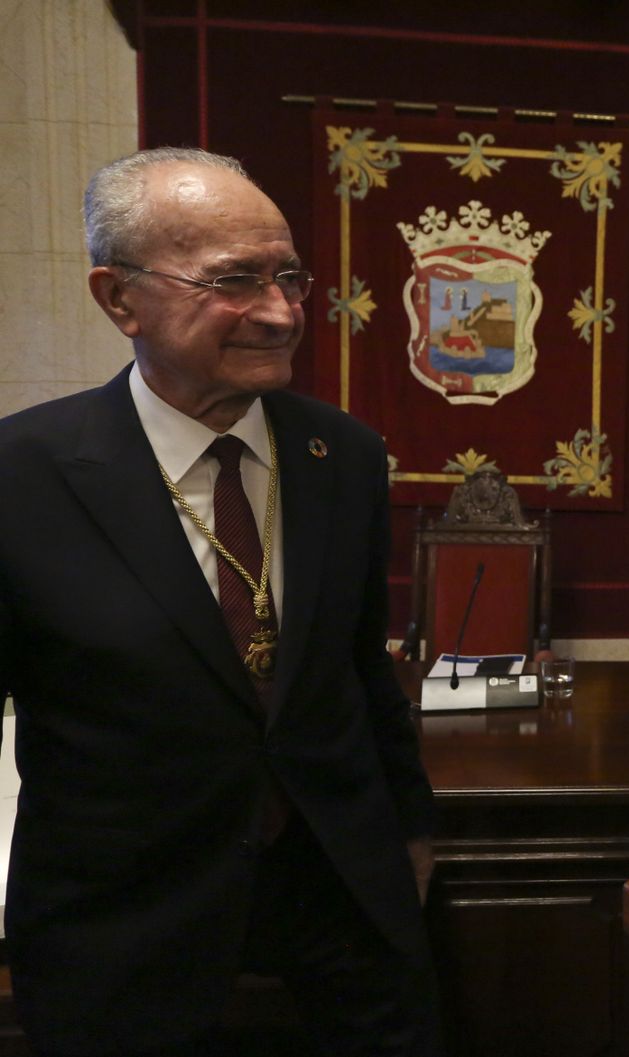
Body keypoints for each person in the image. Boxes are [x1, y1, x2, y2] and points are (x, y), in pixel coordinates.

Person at [0, 148, 439, 1055]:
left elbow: (363, 668)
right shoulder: (22, 474)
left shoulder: (344, 454)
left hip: (342, 902)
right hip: (125, 924)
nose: (280, 312)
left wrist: (411, 834)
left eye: (289, 276)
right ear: (119, 298)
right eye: (234, 280)